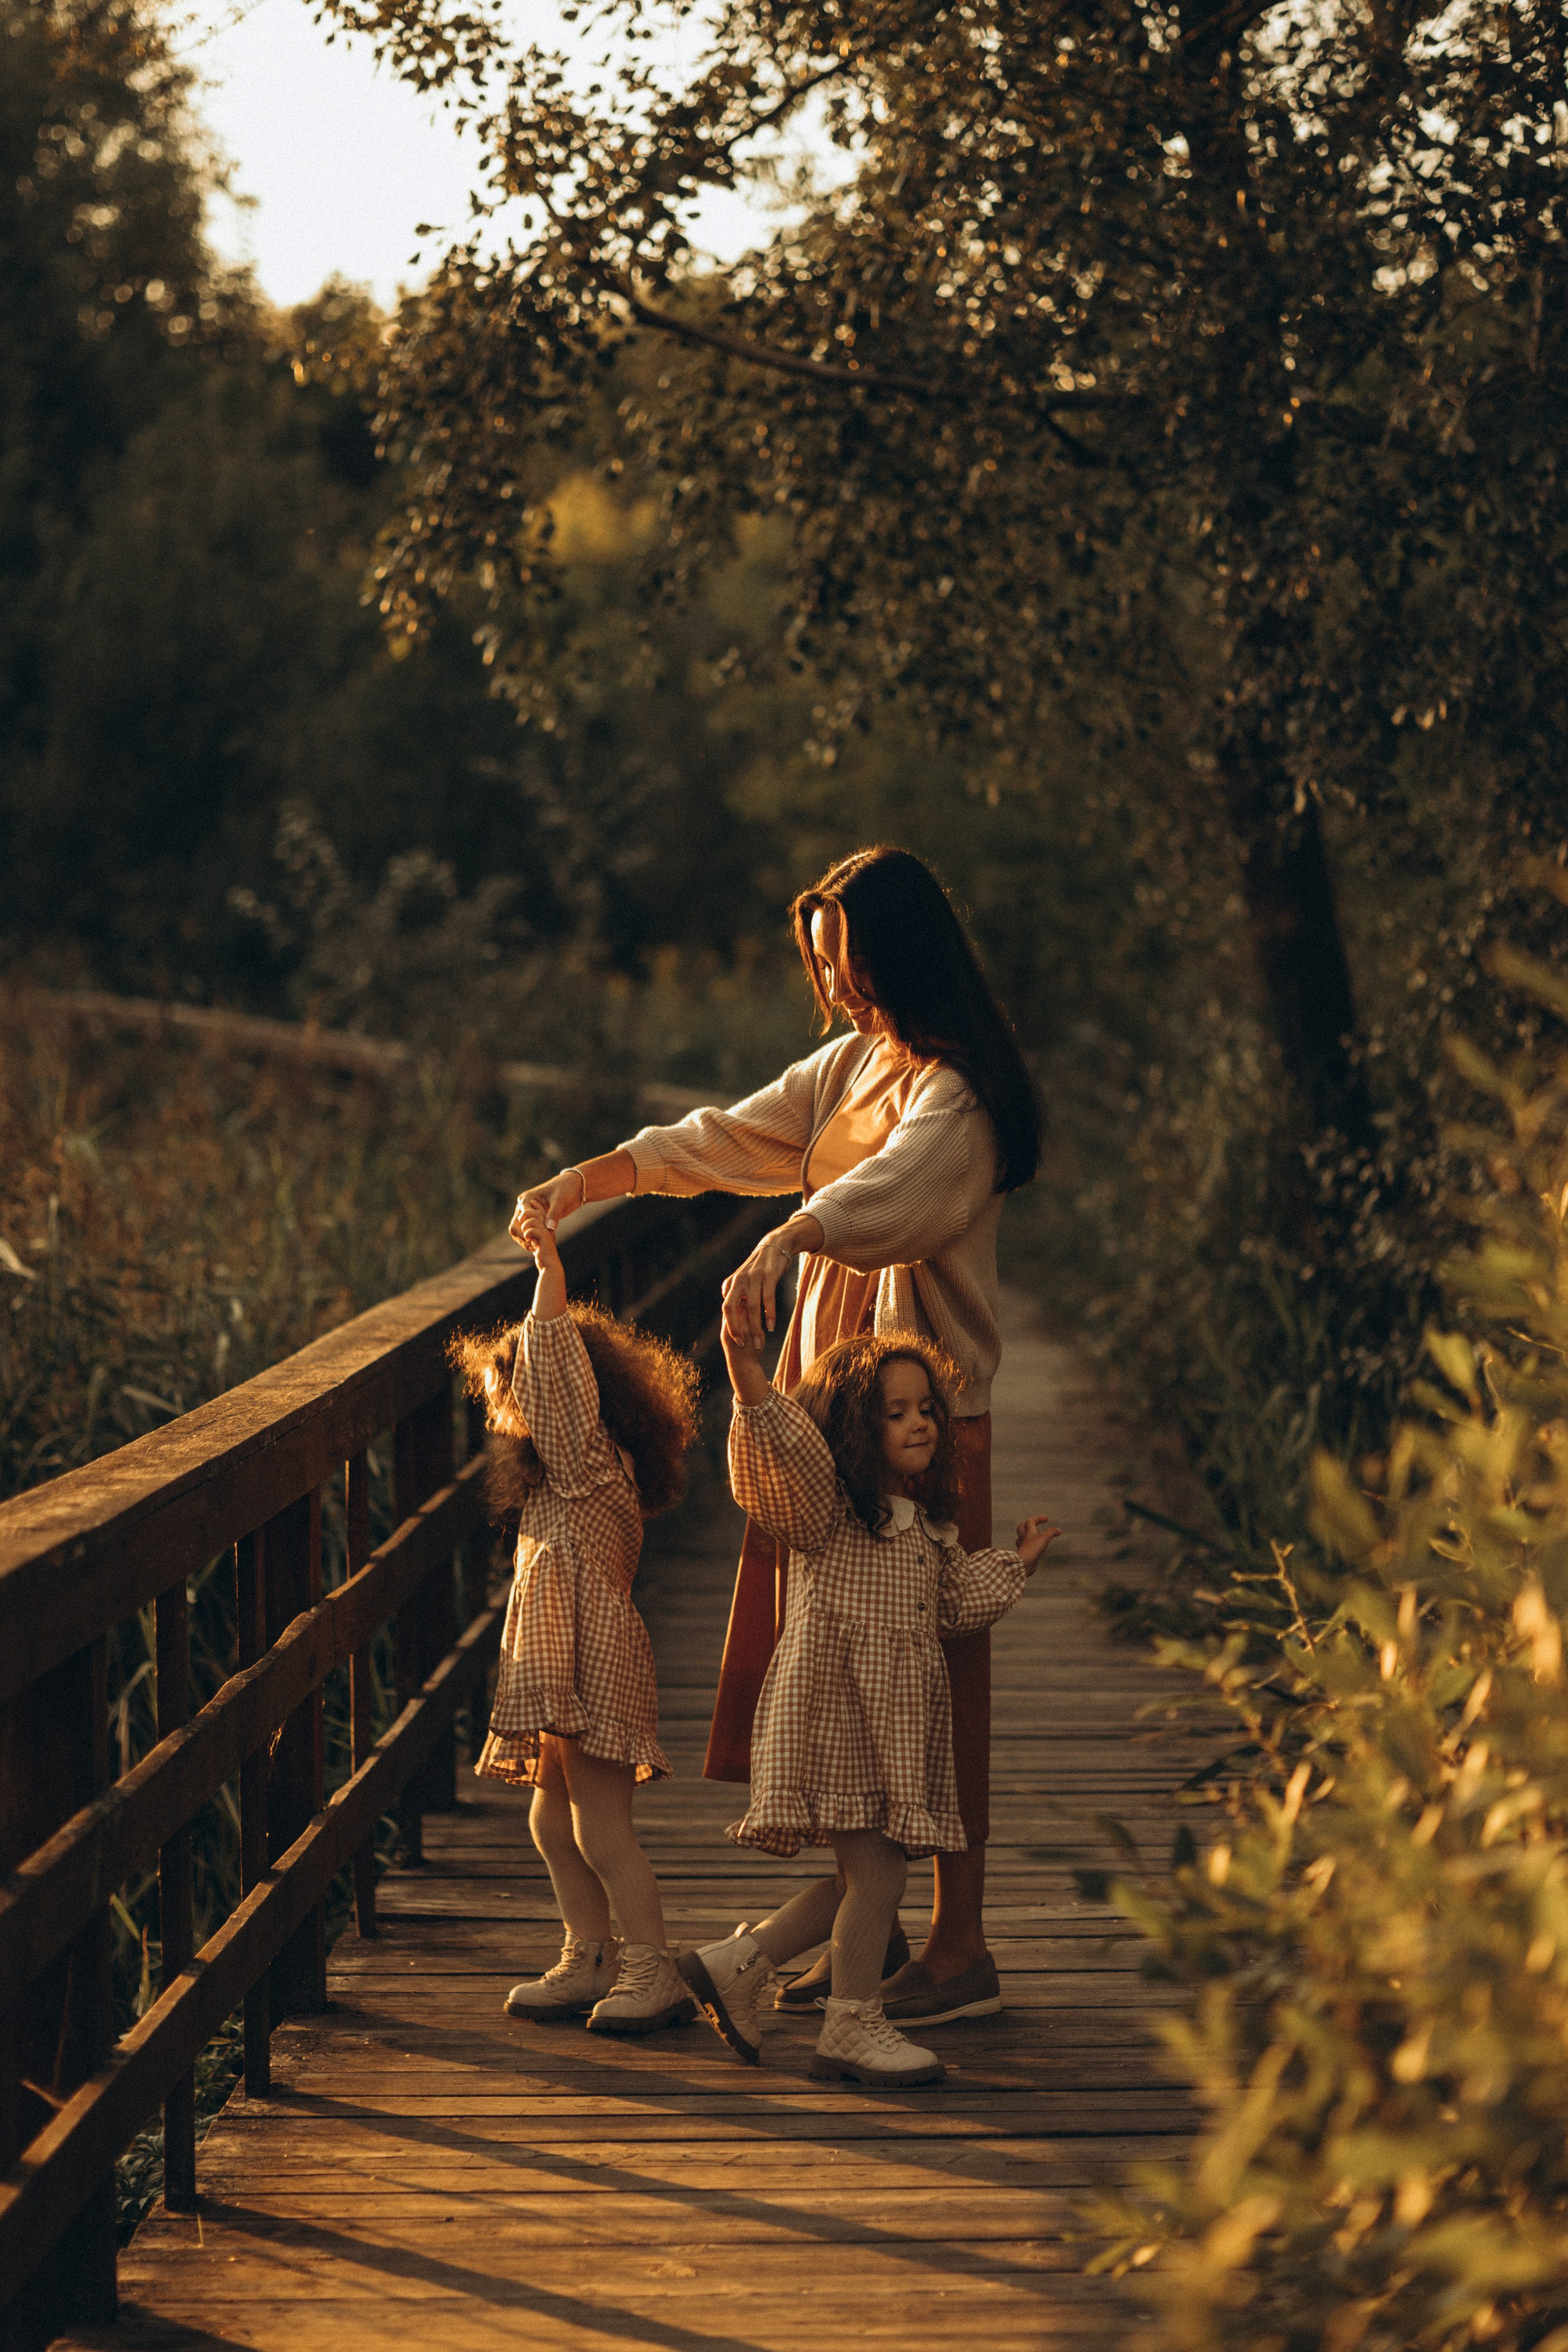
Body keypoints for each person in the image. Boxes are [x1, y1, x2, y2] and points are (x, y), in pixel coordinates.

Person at [513, 844, 1045, 2028]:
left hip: (916, 1433)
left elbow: (893, 1198)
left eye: (850, 963)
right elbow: (728, 1136)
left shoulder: (956, 1098)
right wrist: (590, 1179)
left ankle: (959, 1945)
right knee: (846, 1674)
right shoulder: (855, 1066)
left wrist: (787, 1238)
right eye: (822, 966)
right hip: (826, 1427)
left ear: (902, 956)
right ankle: (872, 1918)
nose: (837, 988)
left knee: (931, 1683)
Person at [680, 1328, 1058, 2087]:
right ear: (855, 1430)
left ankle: (735, 1964)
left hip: (890, 1732)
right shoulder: (826, 1511)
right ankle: (850, 2026)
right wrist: (746, 1372)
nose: (920, 1424)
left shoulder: (923, 1529)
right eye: (896, 1413)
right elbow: (784, 1450)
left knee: (864, 1880)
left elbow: (954, 1605)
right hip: (838, 1719)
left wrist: (1015, 1564)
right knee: (880, 1880)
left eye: (927, 1409)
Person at [450, 1200, 701, 2035]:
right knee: (550, 1820)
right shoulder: (567, 1476)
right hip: (571, 1663)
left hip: (594, 1665)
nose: (500, 1404)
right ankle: (589, 1955)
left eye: (508, 1386)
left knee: (601, 1830)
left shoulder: (585, 1458)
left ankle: (652, 1970)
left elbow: (554, 1366)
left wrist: (549, 1276)